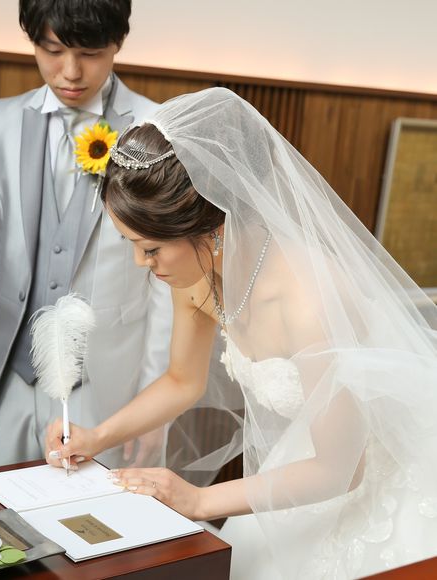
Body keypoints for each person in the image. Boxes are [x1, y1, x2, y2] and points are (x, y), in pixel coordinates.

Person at [46, 87, 437, 579]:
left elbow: (341, 470)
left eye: (150, 248)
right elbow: (182, 381)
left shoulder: (309, 303)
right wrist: (97, 435)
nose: (141, 263)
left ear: (209, 227)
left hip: (368, 471)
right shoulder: (198, 271)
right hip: (315, 452)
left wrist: (198, 500)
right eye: (132, 245)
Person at [0, 0, 172, 470]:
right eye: (53, 50)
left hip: (106, 380)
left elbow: (168, 283)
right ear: (33, 41)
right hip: (8, 372)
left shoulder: (157, 129)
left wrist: (153, 406)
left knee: (92, 511)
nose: (70, 72)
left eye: (90, 53)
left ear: (117, 44)